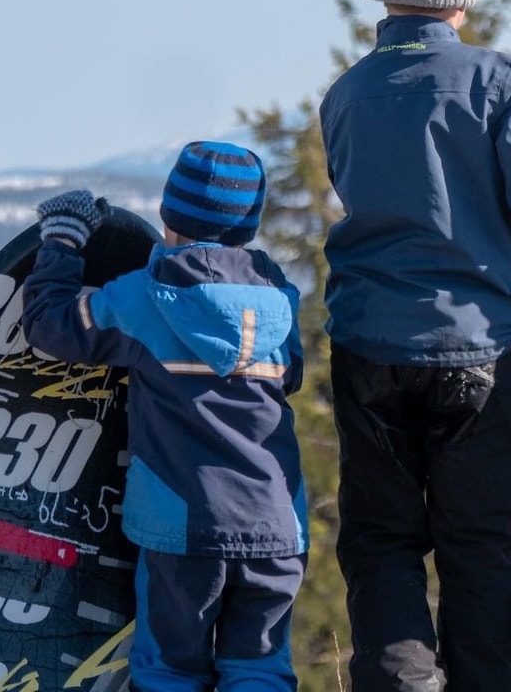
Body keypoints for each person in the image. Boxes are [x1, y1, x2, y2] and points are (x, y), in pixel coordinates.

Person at [320, 0, 511, 692]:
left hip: (368, 342)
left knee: (381, 543)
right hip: (481, 347)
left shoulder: (347, 94)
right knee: (476, 544)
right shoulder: (500, 81)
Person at [22, 143, 307, 692]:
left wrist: (62, 237)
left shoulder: (147, 299)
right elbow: (290, 375)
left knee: (170, 673)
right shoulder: (282, 301)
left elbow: (50, 325)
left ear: (167, 214)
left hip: (184, 526)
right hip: (276, 525)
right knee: (261, 672)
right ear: (248, 225)